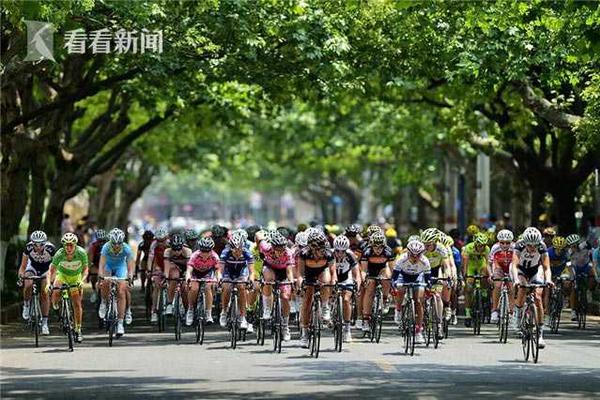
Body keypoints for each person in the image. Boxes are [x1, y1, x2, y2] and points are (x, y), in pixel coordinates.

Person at [511, 227, 552, 349]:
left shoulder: (542, 246)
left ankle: (540, 334)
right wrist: (516, 280)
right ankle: (517, 313)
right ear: (525, 242)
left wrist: (548, 280)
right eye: (530, 245)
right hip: (521, 269)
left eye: (535, 245)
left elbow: (546, 267)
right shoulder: (519, 245)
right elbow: (514, 265)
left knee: (538, 297)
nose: (533, 248)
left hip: (535, 270)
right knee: (523, 288)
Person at [297, 230, 336, 348]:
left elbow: (333, 273)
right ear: (313, 249)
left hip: (322, 272)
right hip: (308, 275)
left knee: (326, 281)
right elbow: (300, 273)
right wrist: (300, 285)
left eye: (323, 248)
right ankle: (304, 332)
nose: (322, 252)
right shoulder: (304, 254)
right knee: (307, 301)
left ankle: (325, 306)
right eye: (320, 250)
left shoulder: (328, 254)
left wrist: (334, 283)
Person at [48, 233, 89, 343]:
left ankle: (78, 329)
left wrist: (82, 280)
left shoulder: (81, 253)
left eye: (71, 245)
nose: (69, 248)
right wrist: (48, 283)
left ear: (75, 245)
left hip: (75, 277)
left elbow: (85, 269)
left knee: (77, 304)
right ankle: (56, 307)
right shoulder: (59, 254)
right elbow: (51, 270)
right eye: (66, 245)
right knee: (56, 290)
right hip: (62, 275)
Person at [257, 230, 295, 341]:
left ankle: (285, 326)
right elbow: (259, 236)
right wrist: (261, 234)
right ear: (272, 246)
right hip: (270, 268)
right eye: (277, 249)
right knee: (268, 280)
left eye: (281, 249)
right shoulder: (266, 247)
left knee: (285, 297)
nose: (279, 252)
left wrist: (291, 282)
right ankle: (267, 308)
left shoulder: (288, 253)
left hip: (283, 271)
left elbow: (289, 271)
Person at [18, 231, 56, 336]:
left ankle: (44, 323)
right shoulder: (28, 248)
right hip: (32, 267)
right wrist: (21, 276)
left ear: (45, 243)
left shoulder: (51, 249)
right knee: (28, 284)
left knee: (45, 293)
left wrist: (51, 281)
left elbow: (55, 267)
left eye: (41, 244)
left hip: (46, 269)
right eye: (35, 244)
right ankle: (26, 304)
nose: (38, 247)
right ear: (32, 243)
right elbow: (23, 266)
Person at [392, 240, 430, 344]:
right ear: (408, 253)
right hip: (403, 276)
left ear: (421, 254)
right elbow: (394, 276)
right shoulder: (401, 259)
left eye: (417, 255)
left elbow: (427, 279)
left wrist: (428, 285)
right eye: (412, 255)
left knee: (418, 301)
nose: (414, 258)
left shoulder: (425, 261)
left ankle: (418, 332)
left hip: (418, 277)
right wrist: (394, 283)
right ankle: (398, 310)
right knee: (401, 289)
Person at [98, 228, 135, 335]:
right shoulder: (106, 247)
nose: (116, 246)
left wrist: (130, 276)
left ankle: (120, 323)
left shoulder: (127, 248)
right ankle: (104, 302)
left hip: (121, 267)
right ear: (110, 242)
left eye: (119, 243)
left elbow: (130, 265)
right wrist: (101, 276)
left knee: (121, 292)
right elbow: (102, 264)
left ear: (122, 242)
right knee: (105, 282)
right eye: (114, 243)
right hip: (108, 267)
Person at [218, 232, 255, 331]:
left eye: (239, 249)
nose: (237, 252)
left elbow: (251, 271)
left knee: (242, 287)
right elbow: (220, 269)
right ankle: (224, 312)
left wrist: (251, 280)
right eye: (235, 249)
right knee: (226, 287)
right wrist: (219, 278)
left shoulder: (247, 252)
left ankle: (243, 317)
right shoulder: (225, 253)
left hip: (241, 272)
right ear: (231, 248)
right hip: (228, 272)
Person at [360, 231, 394, 333]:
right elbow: (363, 270)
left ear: (384, 246)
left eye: (380, 247)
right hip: (371, 271)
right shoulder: (367, 252)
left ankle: (385, 298)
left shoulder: (388, 252)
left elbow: (393, 269)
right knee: (370, 288)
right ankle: (366, 319)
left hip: (382, 269)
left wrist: (393, 281)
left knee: (387, 277)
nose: (378, 250)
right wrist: (364, 280)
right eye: (375, 247)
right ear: (371, 245)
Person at [332, 235, 361, 343]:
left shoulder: (351, 256)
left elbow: (356, 273)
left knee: (346, 300)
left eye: (342, 251)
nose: (340, 254)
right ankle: (331, 308)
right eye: (338, 251)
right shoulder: (330, 255)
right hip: (333, 277)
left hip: (345, 278)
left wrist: (357, 284)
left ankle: (347, 329)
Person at [186, 237, 220, 324]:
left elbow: (217, 270)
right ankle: (190, 310)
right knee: (194, 288)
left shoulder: (215, 256)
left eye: (207, 251)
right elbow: (189, 269)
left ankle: (208, 313)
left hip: (208, 273)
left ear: (211, 250)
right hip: (196, 273)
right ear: (199, 249)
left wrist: (218, 278)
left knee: (208, 287)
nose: (205, 254)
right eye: (203, 251)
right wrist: (188, 277)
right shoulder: (195, 255)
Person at [461, 232, 490, 328]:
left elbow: (488, 263)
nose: (482, 247)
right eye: (479, 245)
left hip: (481, 265)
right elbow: (465, 264)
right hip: (471, 266)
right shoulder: (468, 248)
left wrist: (489, 275)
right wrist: (465, 276)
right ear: (475, 244)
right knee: (468, 289)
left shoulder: (487, 249)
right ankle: (468, 315)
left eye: (483, 245)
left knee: (485, 274)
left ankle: (484, 293)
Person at [488, 229, 515, 324]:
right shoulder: (495, 248)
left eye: (507, 243)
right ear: (498, 241)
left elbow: (517, 264)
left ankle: (511, 312)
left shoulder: (515, 248)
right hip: (499, 268)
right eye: (502, 243)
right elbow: (490, 263)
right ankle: (494, 310)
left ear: (511, 242)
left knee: (512, 288)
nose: (504, 245)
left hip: (511, 268)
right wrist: (491, 274)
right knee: (498, 286)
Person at [164, 234, 192, 316]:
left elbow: (189, 268)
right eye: (174, 249)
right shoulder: (167, 251)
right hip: (174, 267)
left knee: (184, 287)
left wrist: (187, 278)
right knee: (174, 277)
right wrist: (166, 278)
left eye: (179, 249)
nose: (176, 252)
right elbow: (166, 267)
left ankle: (187, 310)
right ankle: (169, 303)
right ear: (170, 247)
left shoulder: (187, 251)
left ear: (182, 246)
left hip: (185, 268)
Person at [148, 228, 169, 323]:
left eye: (162, 240)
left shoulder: (170, 244)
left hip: (169, 265)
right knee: (156, 286)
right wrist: (149, 270)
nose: (160, 243)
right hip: (158, 266)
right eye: (158, 241)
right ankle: (154, 312)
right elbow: (150, 258)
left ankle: (170, 304)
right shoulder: (153, 245)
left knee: (171, 282)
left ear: (166, 238)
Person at [87, 229, 107, 303]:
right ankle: (94, 290)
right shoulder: (93, 245)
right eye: (99, 241)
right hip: (96, 262)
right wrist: (90, 267)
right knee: (93, 277)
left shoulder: (108, 245)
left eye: (102, 241)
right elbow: (90, 256)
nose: (101, 243)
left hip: (105, 263)